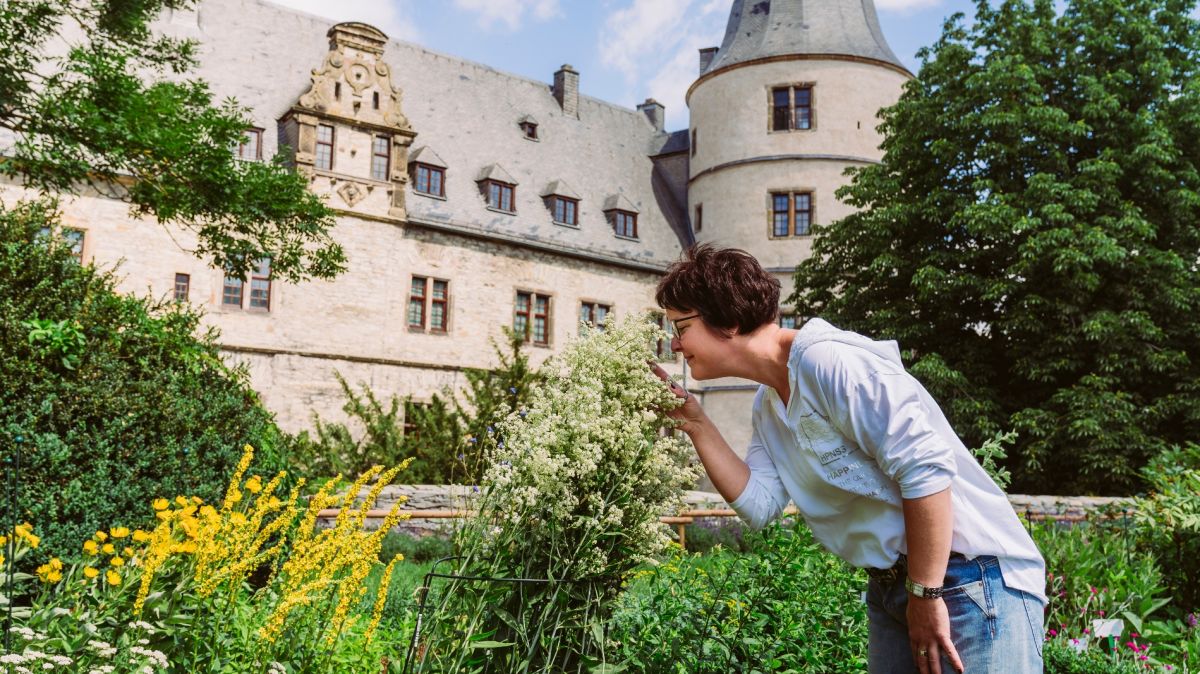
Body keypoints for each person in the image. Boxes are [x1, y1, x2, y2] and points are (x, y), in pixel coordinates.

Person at [651, 244, 1045, 674]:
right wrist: (695, 422)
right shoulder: (769, 405)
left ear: (725, 320)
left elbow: (926, 472)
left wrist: (925, 595)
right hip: (895, 588)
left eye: (681, 326)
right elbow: (760, 505)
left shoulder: (828, 361)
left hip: (968, 579)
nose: (674, 342)